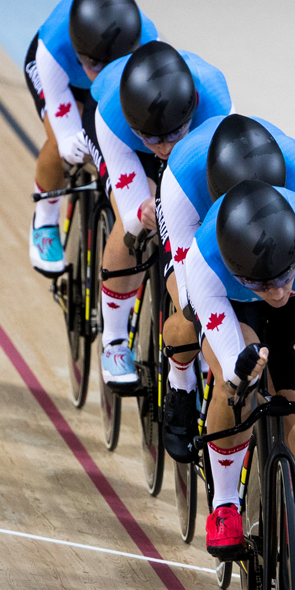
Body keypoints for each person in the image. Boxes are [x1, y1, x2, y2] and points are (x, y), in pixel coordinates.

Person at [187, 180, 295, 590]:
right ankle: (224, 504)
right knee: (234, 388)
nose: (276, 292)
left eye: (283, 279)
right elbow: (233, 368)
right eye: (264, 283)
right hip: (237, 310)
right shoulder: (204, 260)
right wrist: (241, 375)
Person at [155, 114, 295, 461]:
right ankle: (180, 381)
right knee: (193, 316)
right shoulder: (182, 182)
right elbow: (194, 294)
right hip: (204, 239)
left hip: (266, 252)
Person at [88, 40, 231, 385]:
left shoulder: (215, 101)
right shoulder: (114, 118)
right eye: (155, 140)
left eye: (174, 134)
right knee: (135, 224)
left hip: (196, 144)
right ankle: (115, 340)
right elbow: (137, 206)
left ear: (192, 108)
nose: (166, 147)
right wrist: (144, 210)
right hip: (124, 145)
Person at [23, 0, 157, 276]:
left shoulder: (146, 37)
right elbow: (61, 109)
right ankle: (44, 219)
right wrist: (72, 137)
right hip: (62, 81)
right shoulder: (55, 44)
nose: (103, 73)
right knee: (62, 144)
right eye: (96, 64)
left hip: (107, 88)